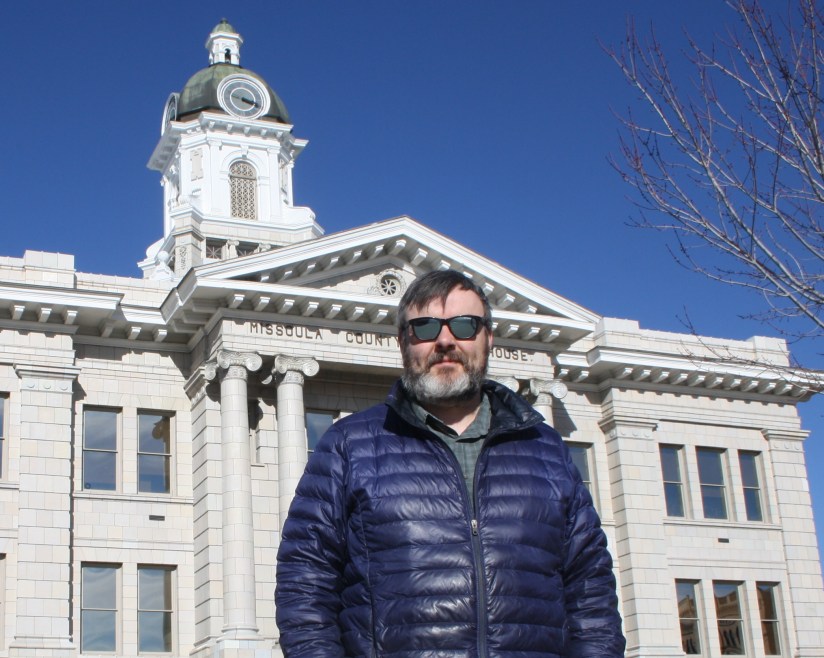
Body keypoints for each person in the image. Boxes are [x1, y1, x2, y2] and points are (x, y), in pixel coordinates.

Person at [276, 270, 625, 657]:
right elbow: (304, 583)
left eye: (464, 325)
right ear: (403, 342)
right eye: (425, 327)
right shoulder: (349, 445)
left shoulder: (545, 450)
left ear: (488, 338)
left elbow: (591, 591)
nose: (445, 340)